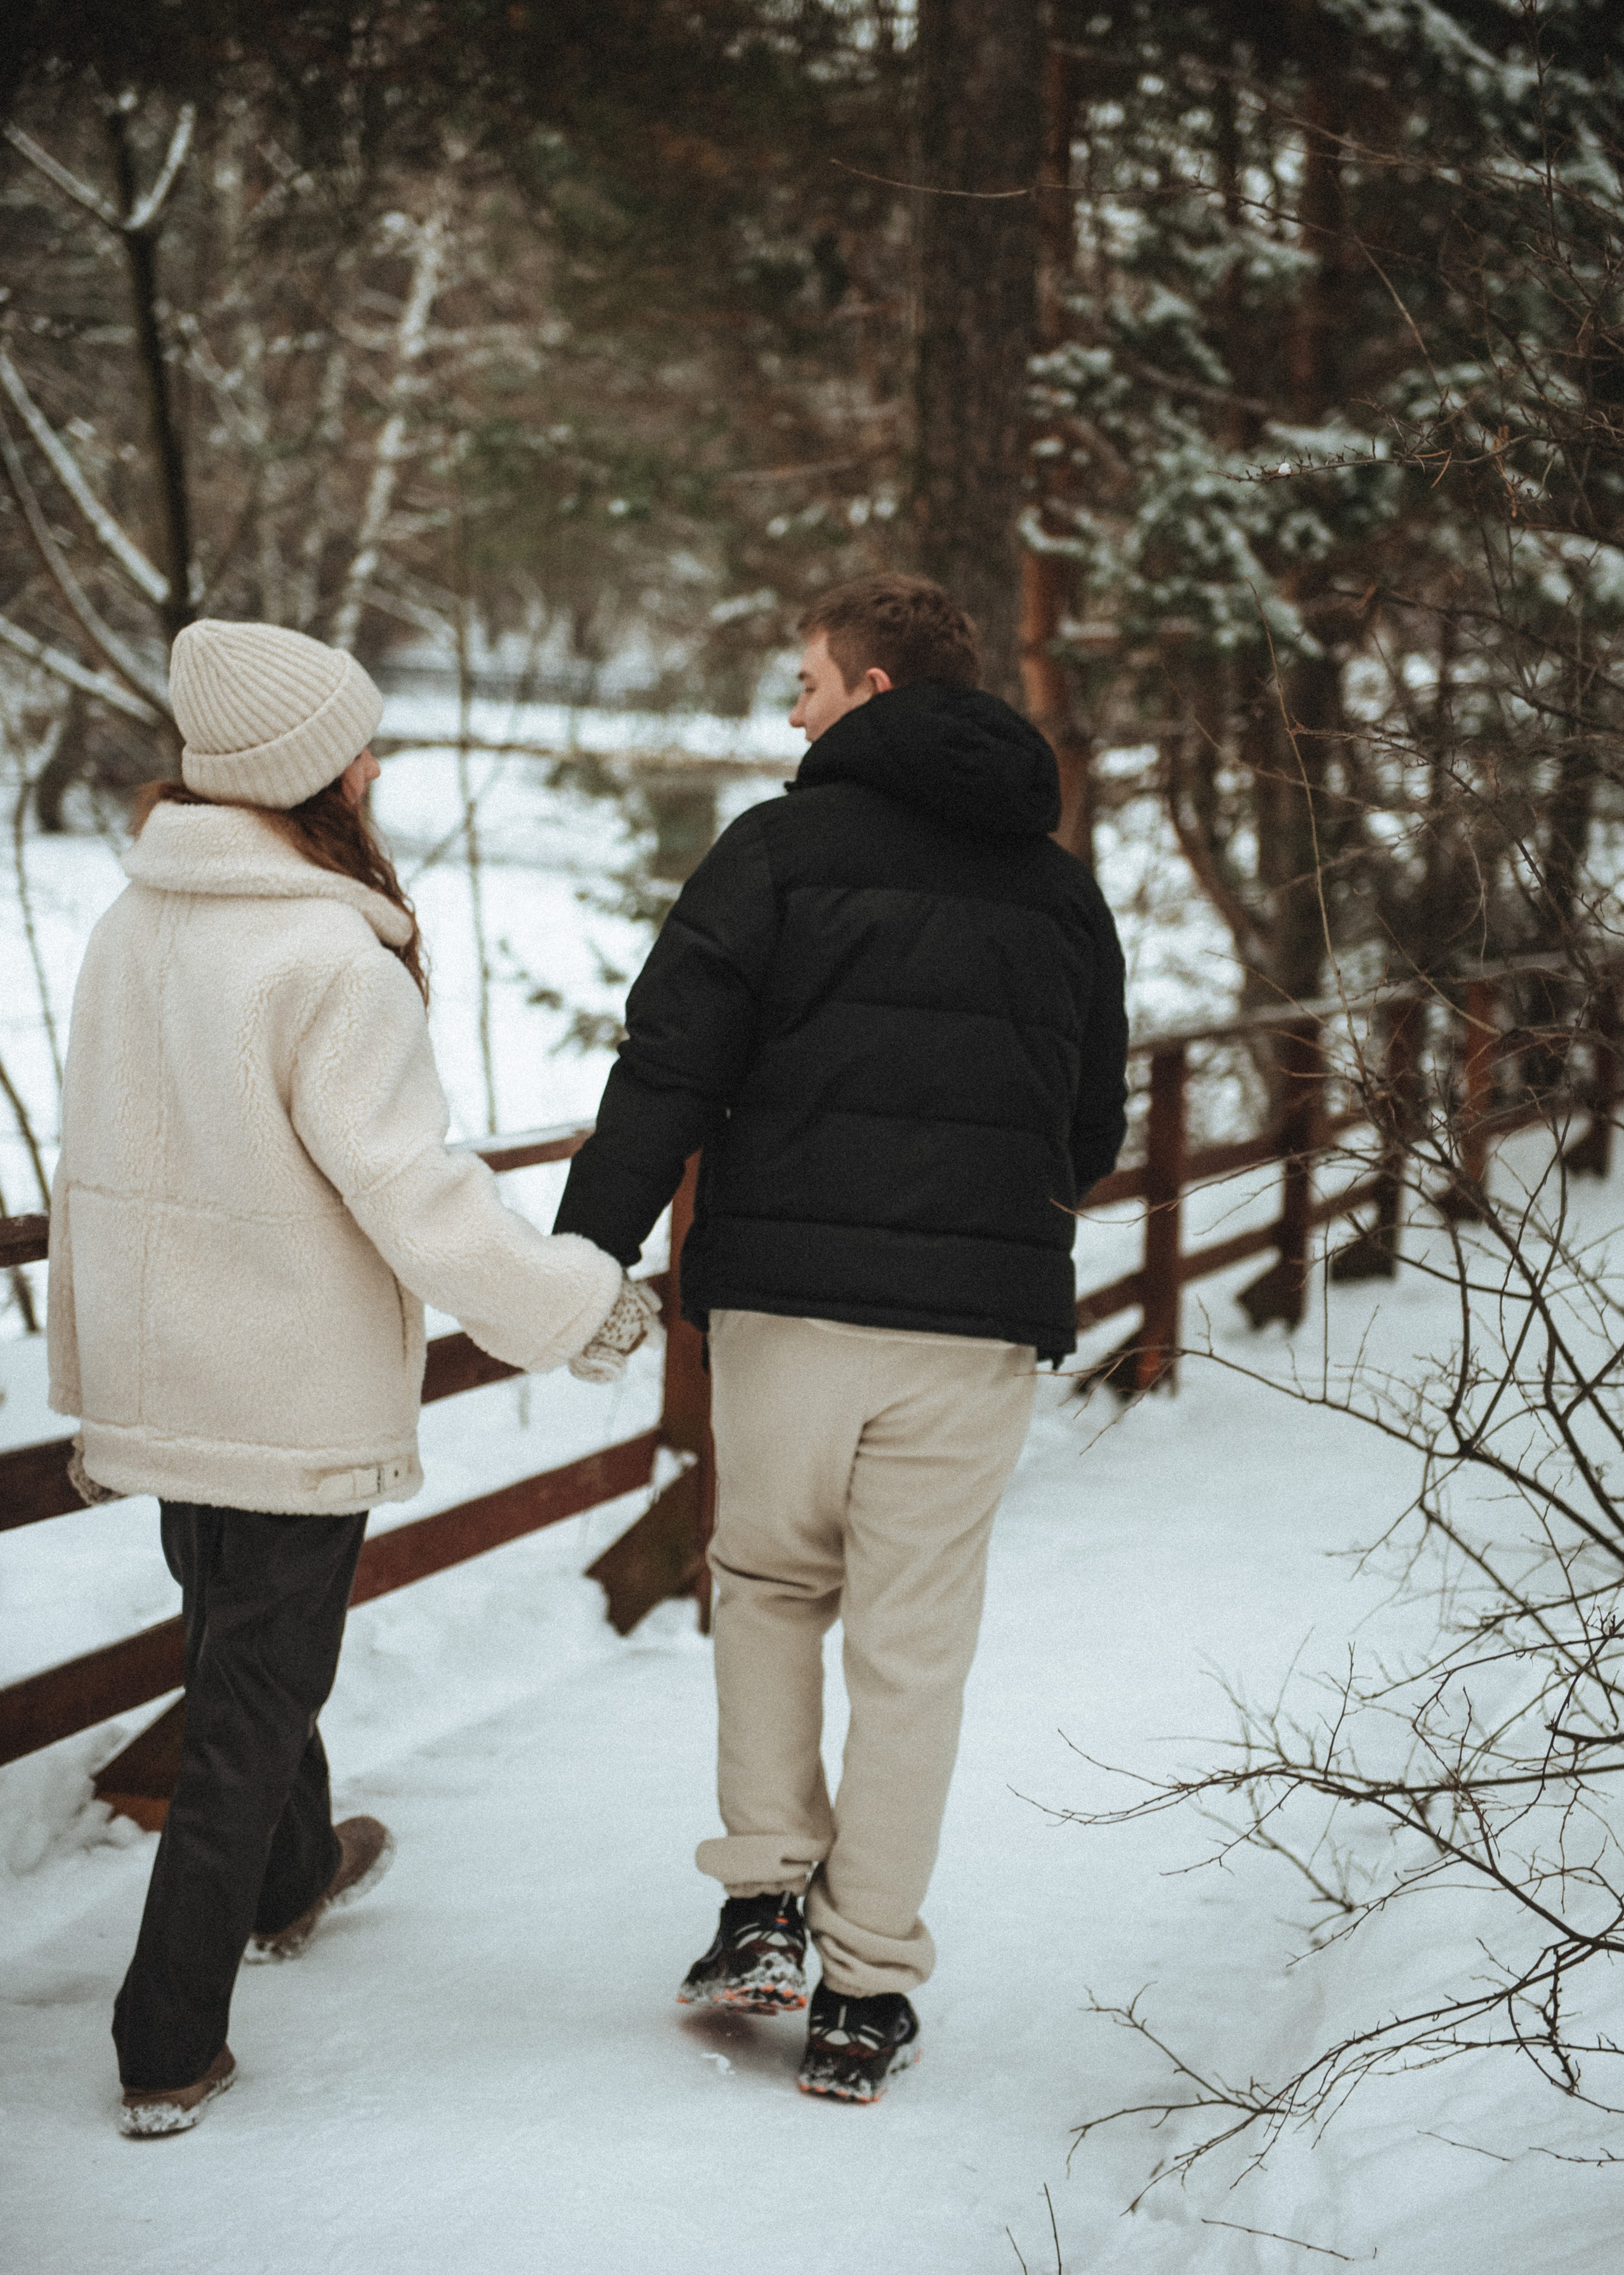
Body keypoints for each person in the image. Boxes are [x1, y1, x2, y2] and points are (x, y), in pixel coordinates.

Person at [48, 619, 654, 2139]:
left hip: (166, 1366)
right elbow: (420, 1196)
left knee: (239, 1648)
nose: (374, 764)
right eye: (354, 746)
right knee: (255, 1690)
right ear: (301, 777)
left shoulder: (139, 920)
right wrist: (576, 1306)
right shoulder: (325, 954)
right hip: (282, 1378)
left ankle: (293, 1873)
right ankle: (166, 2037)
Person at [554, 572, 1128, 2101]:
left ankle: (759, 1904)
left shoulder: (777, 850)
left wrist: (581, 1248)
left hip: (790, 1309)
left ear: (871, 690)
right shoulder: (1056, 885)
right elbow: (1091, 1127)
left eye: (804, 677)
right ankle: (864, 1985)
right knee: (913, 1652)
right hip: (974, 1332)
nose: (786, 705)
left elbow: (669, 1060)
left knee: (766, 1588)